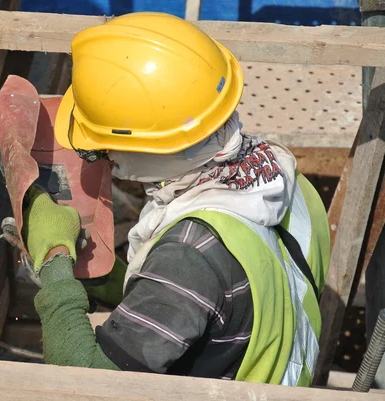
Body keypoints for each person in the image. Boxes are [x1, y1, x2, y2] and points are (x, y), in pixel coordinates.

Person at [21, 11, 331, 385]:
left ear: (151, 148)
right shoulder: (281, 175)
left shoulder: (189, 255)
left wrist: (54, 259)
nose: (104, 158)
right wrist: (99, 277)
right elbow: (214, 296)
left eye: (102, 149)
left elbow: (85, 381)